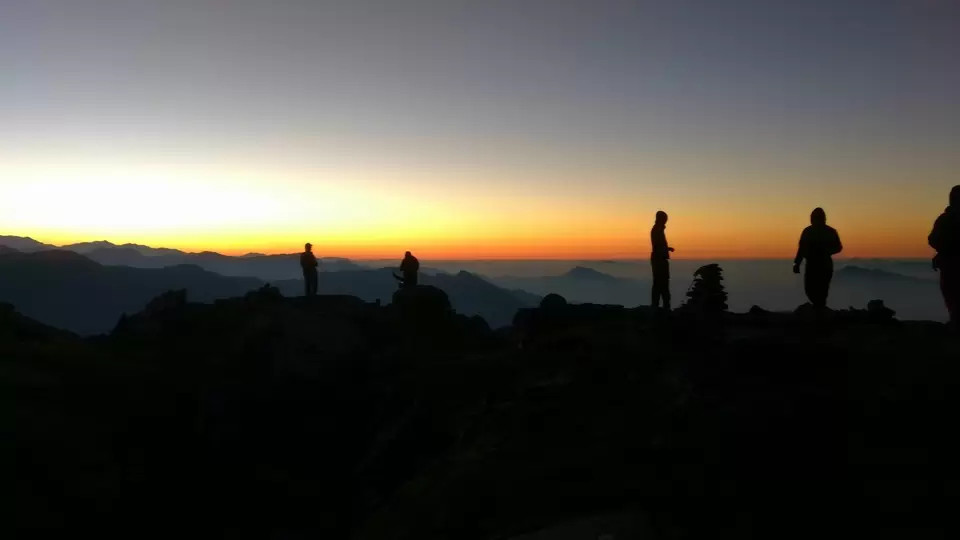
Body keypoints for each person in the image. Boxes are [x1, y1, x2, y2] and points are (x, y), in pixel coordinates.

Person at [793, 208, 842, 309]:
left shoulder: (829, 231)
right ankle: (820, 311)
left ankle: (819, 313)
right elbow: (802, 249)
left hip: (823, 265)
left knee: (820, 291)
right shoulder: (809, 231)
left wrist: (825, 251)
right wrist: (796, 263)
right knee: (811, 290)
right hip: (814, 265)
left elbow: (838, 247)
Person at [928, 186, 960, 324]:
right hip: (949, 264)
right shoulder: (946, 218)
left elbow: (934, 239)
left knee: (953, 297)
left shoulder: (946, 218)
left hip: (950, 264)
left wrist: (943, 251)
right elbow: (934, 239)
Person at [650, 211, 675, 310]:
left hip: (658, 259)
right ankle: (663, 307)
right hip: (659, 260)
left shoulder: (658, 230)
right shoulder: (657, 230)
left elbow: (658, 245)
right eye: (665, 219)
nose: (666, 221)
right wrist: (665, 250)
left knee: (659, 283)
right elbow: (657, 246)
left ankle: (658, 306)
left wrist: (667, 248)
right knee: (662, 284)